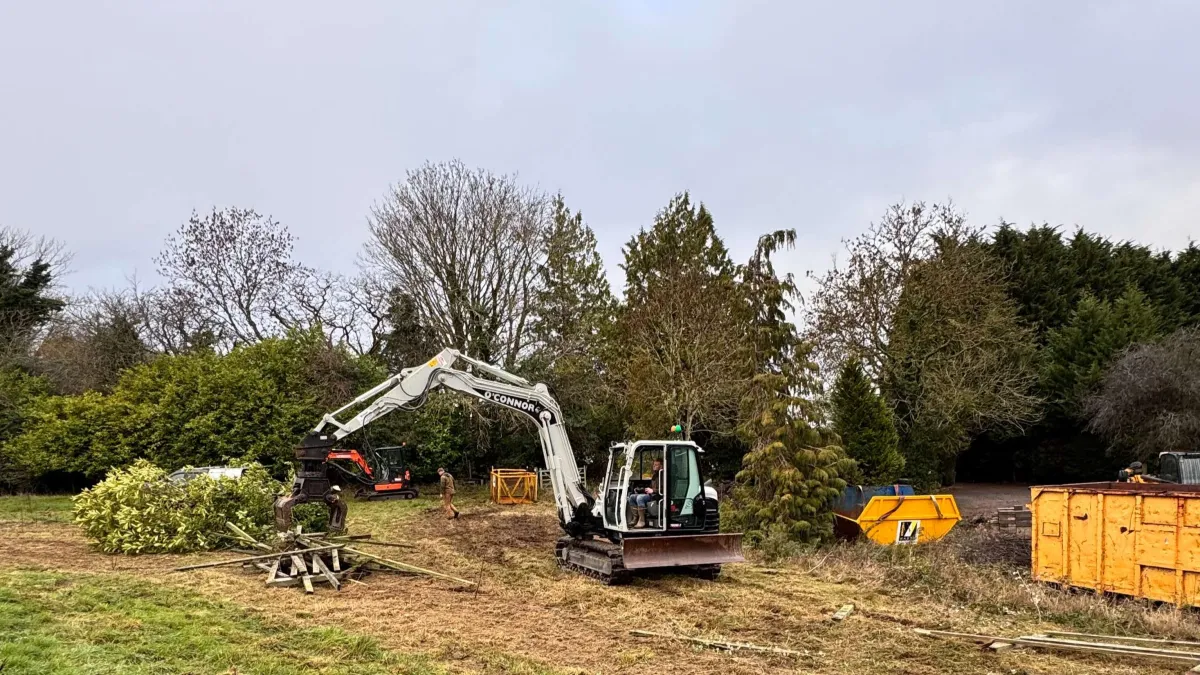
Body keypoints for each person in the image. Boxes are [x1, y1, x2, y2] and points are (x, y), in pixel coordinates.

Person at [627, 459, 662, 528]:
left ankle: (642, 520)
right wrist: (642, 489)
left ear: (661, 466)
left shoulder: (664, 475)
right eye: (653, 465)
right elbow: (651, 487)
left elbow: (664, 489)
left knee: (640, 498)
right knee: (632, 497)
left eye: (656, 465)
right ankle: (635, 518)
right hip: (651, 494)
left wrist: (653, 491)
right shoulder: (655, 475)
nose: (654, 466)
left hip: (658, 495)